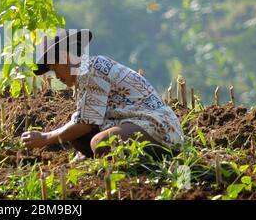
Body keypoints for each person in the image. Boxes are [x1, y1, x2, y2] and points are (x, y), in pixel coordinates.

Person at [21, 29, 184, 160]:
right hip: (137, 126)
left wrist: (44, 138)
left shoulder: (92, 69)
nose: (56, 76)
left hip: (159, 129)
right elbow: (84, 122)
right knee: (78, 137)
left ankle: (143, 166)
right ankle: (118, 161)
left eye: (55, 68)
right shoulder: (84, 77)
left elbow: (85, 124)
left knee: (100, 142)